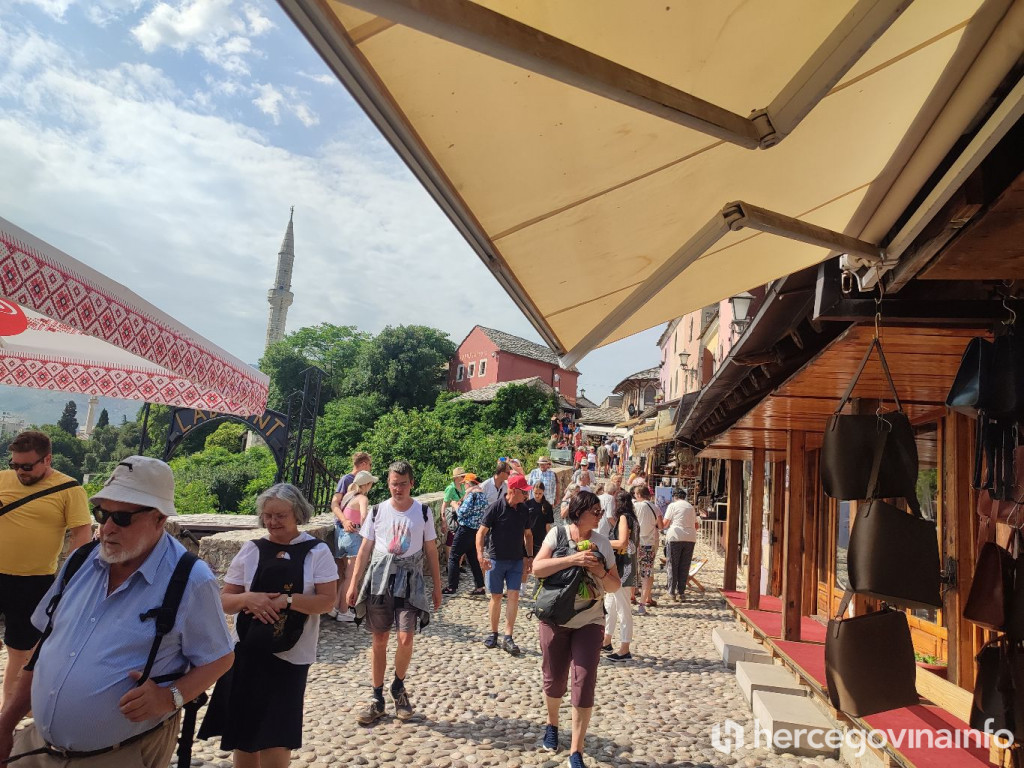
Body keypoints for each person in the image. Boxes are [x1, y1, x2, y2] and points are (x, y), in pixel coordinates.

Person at [0, 456, 234, 768]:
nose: (107, 528)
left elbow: (220, 657)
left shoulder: (191, 581)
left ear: (159, 518)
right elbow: (44, 649)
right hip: (39, 748)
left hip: (121, 754)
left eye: (122, 518)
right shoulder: (80, 561)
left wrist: (171, 697)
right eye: (102, 513)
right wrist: (6, 723)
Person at [199, 484, 337, 766]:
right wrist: (248, 599)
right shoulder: (252, 549)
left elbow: (326, 602)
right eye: (268, 516)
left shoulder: (317, 552)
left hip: (291, 656)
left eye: (280, 515)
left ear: (297, 514)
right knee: (243, 734)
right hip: (246, 651)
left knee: (277, 734)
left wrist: (287, 600)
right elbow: (225, 600)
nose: (272, 522)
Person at [0, 430, 92, 709]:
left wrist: (70, 579)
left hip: (33, 582)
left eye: (27, 466)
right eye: (15, 465)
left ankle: (9, 713)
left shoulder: (69, 489)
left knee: (21, 651)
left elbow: (81, 534)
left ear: (47, 459)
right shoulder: (2, 479)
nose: (19, 471)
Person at [347, 461, 442, 725]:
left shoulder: (422, 512)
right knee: (379, 639)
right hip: (380, 580)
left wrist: (437, 586)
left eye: (402, 484)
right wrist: (354, 583)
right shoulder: (377, 511)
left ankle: (398, 686)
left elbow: (431, 550)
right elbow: (365, 549)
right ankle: (377, 697)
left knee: (405, 638)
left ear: (412, 483)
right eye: (393, 484)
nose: (397, 489)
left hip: (410, 582)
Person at [533, 491, 620, 767]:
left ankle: (576, 750)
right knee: (554, 679)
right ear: (579, 512)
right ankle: (552, 725)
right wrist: (573, 560)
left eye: (601, 511)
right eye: (595, 511)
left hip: (590, 621)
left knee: (584, 682)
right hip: (555, 619)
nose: (600, 516)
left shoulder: (602, 543)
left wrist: (600, 571)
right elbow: (537, 568)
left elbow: (615, 586)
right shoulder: (557, 535)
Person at [477, 475, 533, 655]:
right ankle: (493, 633)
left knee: (514, 595)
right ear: (514, 491)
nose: (526, 495)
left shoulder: (524, 509)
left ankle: (508, 636)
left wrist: (529, 557)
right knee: (496, 596)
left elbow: (528, 535)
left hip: (516, 560)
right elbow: (481, 533)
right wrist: (480, 556)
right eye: (524, 492)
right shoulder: (495, 508)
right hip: (496, 560)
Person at [329, 470, 378, 621]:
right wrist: (368, 534)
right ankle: (344, 611)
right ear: (367, 484)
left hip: (341, 536)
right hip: (353, 537)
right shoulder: (362, 498)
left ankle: (335, 607)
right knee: (351, 577)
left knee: (344, 575)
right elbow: (363, 517)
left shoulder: (348, 496)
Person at [603, 492, 638, 661]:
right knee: (610, 604)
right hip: (624, 565)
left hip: (622, 568)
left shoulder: (624, 518)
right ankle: (606, 640)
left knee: (623, 607)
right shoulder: (632, 519)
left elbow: (622, 542)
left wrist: (602, 543)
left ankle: (625, 648)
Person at [442, 476, 487, 596]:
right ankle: (480, 587)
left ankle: (451, 587)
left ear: (468, 483)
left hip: (465, 530)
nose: (464, 486)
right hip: (476, 530)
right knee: (473, 559)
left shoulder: (471, 495)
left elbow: (462, 513)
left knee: (453, 557)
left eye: (465, 483)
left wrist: (454, 505)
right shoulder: (482, 495)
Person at [661, 488, 698, 602]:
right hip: (690, 537)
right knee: (684, 565)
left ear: (674, 496)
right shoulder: (690, 507)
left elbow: (665, 523)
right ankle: (681, 592)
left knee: (672, 564)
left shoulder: (672, 506)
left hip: (675, 537)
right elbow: (696, 526)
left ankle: (671, 592)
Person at [634, 485, 660, 615]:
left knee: (633, 572)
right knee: (646, 574)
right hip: (648, 544)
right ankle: (642, 604)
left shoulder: (634, 507)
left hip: (634, 544)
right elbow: (661, 525)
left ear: (639, 495)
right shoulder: (655, 508)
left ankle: (629, 598)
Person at [440, 468, 469, 572]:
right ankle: (450, 566)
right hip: (454, 517)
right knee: (451, 540)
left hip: (462, 516)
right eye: (462, 476)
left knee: (461, 540)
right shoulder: (451, 488)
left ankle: (458, 565)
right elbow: (444, 504)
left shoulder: (463, 486)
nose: (464, 477)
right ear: (457, 478)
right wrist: (443, 520)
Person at [525, 482, 554, 563]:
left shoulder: (547, 506)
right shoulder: (527, 504)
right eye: (535, 493)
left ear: (543, 492)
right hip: (529, 537)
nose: (537, 495)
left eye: (540, 493)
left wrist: (549, 539)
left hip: (541, 537)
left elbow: (548, 525)